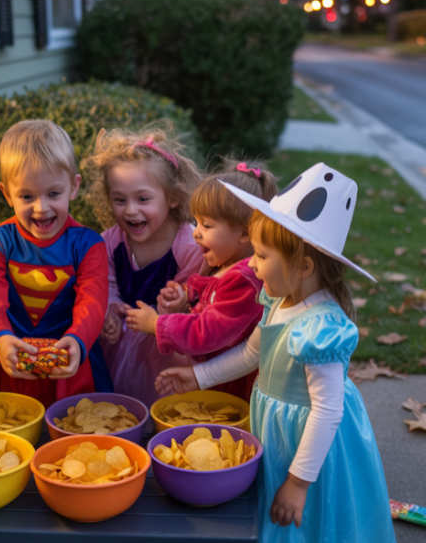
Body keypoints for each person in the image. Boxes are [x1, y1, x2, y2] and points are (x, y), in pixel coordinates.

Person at [156, 163, 394, 543]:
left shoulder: (320, 329)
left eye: (262, 256)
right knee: (273, 507)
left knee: (307, 514)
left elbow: (327, 411)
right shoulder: (278, 298)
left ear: (303, 266)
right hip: (280, 429)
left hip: (310, 444)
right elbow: (253, 354)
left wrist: (298, 483)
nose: (250, 263)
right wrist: (199, 377)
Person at [0, 119, 111, 408]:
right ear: (7, 194)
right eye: (26, 196)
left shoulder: (88, 245)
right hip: (17, 369)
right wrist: (0, 337)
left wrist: (78, 339)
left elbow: (93, 302)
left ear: (73, 187)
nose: (41, 207)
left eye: (53, 193)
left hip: (75, 369)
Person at [126, 159, 276, 401]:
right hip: (211, 383)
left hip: (230, 390)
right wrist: (182, 304)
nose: (195, 232)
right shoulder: (221, 264)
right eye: (196, 222)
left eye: (206, 225)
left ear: (245, 233)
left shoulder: (244, 281)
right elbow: (206, 309)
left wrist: (157, 325)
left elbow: (207, 331)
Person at [83, 125, 205, 406]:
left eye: (143, 199)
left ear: (173, 197)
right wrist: (110, 310)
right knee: (117, 409)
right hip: (119, 346)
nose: (130, 210)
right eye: (120, 200)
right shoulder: (109, 241)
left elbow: (194, 294)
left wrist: (176, 303)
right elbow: (105, 284)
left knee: (166, 410)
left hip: (165, 347)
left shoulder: (189, 244)